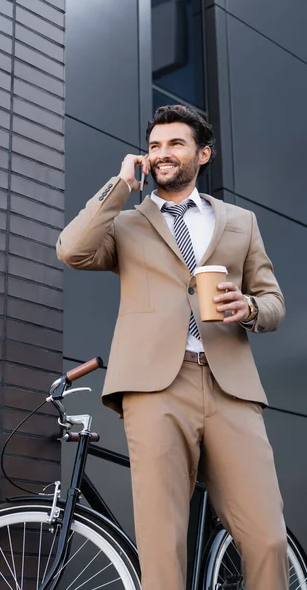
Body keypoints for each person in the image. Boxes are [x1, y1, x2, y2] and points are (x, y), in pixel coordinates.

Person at [57, 105, 288, 589]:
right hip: (155, 388)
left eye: (175, 144)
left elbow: (274, 304)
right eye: (155, 145)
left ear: (202, 154)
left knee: (267, 539)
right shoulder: (125, 224)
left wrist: (247, 307)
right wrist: (120, 184)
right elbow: (72, 249)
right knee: (163, 545)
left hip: (232, 388)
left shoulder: (240, 222)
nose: (162, 154)